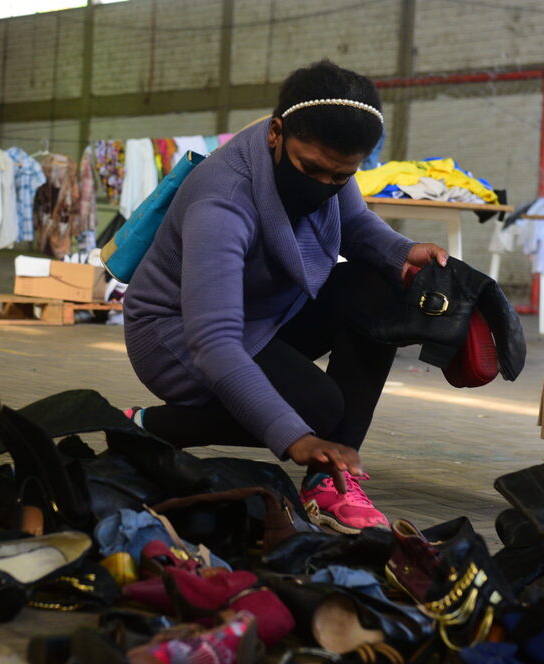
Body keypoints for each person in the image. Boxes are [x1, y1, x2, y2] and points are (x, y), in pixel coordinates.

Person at [121, 60, 448, 533]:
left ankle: (328, 482)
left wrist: (405, 253)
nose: (324, 187)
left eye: (340, 177)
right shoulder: (223, 201)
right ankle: (156, 425)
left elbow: (353, 224)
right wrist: (291, 435)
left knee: (378, 290)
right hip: (177, 337)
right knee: (316, 411)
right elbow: (213, 342)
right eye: (311, 169)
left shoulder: (322, 156)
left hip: (262, 318)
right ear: (276, 132)